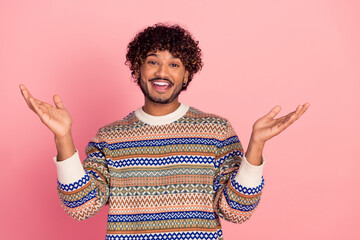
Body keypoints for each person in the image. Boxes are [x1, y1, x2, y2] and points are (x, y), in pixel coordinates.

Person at [20, 23, 309, 240]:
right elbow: (81, 207)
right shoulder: (110, 138)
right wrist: (63, 137)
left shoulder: (216, 131)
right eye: (153, 61)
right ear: (138, 68)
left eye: (174, 64)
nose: (162, 72)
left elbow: (236, 211)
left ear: (187, 74)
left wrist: (256, 145)